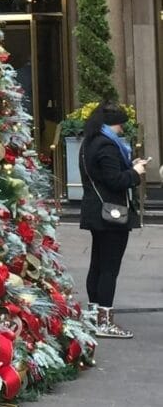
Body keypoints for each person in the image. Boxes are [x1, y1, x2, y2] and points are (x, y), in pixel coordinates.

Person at [78, 103, 147, 338]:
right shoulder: (107, 146)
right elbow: (115, 180)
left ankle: (93, 313)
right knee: (109, 268)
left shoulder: (89, 142)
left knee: (97, 263)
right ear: (111, 124)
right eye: (120, 124)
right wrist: (136, 173)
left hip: (96, 212)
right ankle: (105, 320)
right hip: (111, 213)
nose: (121, 129)